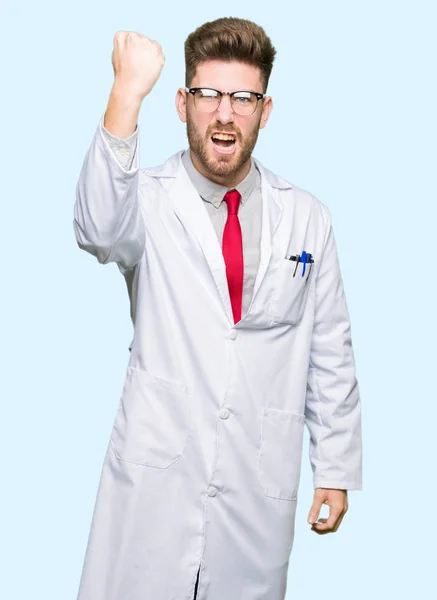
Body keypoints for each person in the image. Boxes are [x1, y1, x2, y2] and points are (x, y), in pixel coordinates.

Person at [73, 17, 363, 600]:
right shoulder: (148, 198)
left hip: (255, 488)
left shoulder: (307, 217)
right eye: (208, 94)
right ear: (182, 103)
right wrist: (125, 93)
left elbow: (330, 348)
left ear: (265, 109)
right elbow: (97, 227)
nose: (224, 113)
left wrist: (334, 467)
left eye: (243, 97)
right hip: (157, 481)